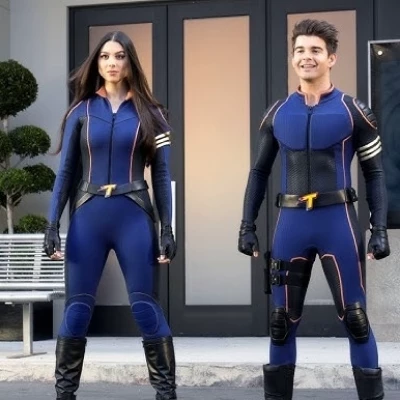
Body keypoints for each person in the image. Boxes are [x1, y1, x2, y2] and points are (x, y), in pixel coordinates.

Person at [238, 19, 390, 400]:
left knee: (355, 320)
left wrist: (379, 228)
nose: (307, 57)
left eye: (316, 50)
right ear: (292, 58)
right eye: (300, 50)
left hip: (338, 222)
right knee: (280, 323)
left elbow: (374, 173)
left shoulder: (355, 111)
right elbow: (258, 172)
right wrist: (246, 225)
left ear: (331, 58)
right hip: (289, 225)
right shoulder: (276, 114)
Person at [43, 31, 177, 400]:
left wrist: (168, 228)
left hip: (134, 217)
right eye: (105, 56)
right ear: (97, 63)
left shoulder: (154, 114)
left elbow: (162, 175)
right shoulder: (81, 112)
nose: (112, 63)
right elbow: (66, 173)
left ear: (130, 62)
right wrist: (51, 224)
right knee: (76, 310)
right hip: (88, 217)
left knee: (145, 307)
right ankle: (64, 394)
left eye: (119, 56)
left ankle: (166, 393)